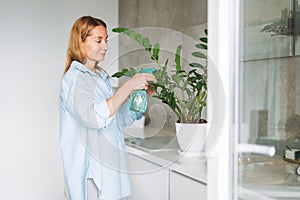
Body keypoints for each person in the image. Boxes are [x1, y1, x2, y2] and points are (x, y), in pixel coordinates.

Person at [59, 16, 156, 200]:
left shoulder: (100, 77)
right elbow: (94, 118)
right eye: (98, 40)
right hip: (92, 176)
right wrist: (129, 85)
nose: (105, 46)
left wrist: (137, 97)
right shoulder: (75, 79)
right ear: (80, 41)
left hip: (110, 172)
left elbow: (116, 120)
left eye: (106, 40)